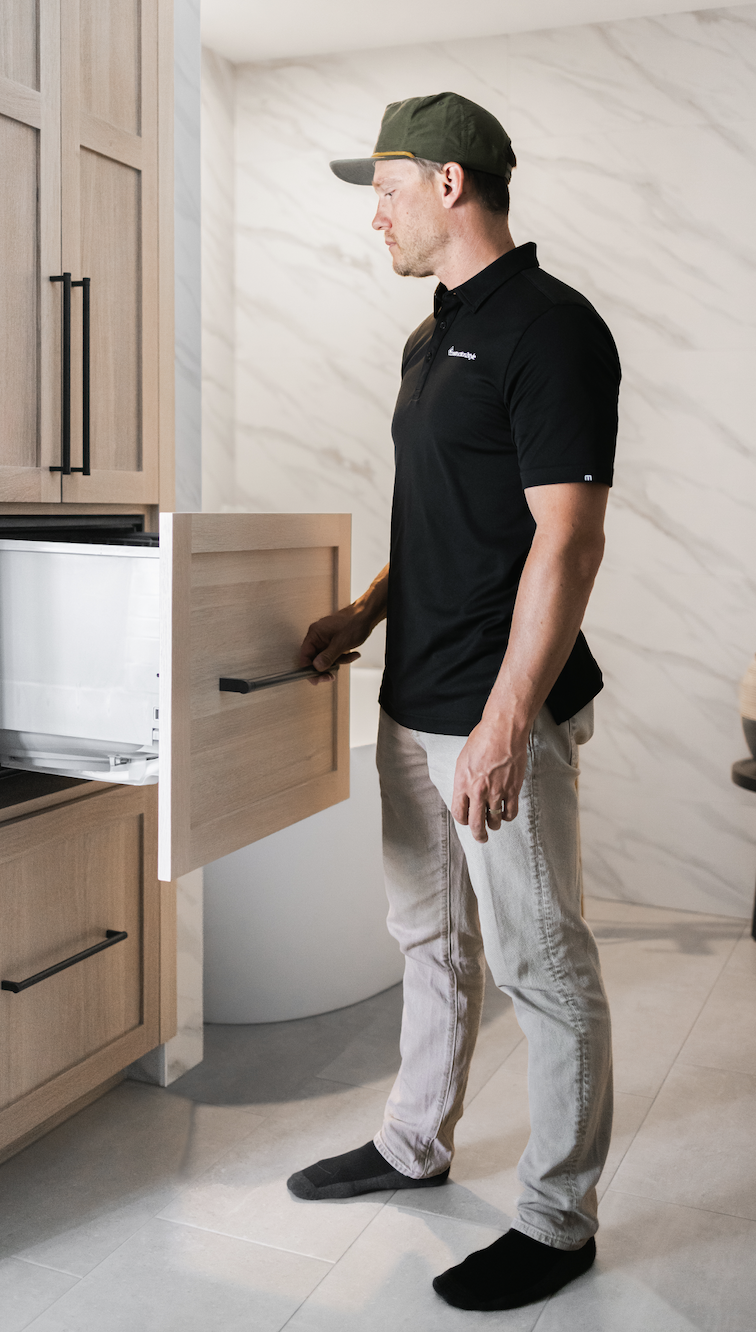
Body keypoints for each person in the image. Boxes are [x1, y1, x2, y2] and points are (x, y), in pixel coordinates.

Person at [286, 93, 620, 1313]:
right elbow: (443, 521)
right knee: (428, 942)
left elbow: (564, 540)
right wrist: (369, 611)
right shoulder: (432, 336)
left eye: (381, 189)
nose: (370, 216)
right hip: (413, 691)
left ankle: (556, 1217)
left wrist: (503, 721)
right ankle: (410, 1143)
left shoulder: (551, 328)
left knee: (542, 963)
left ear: (447, 184)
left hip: (496, 708)